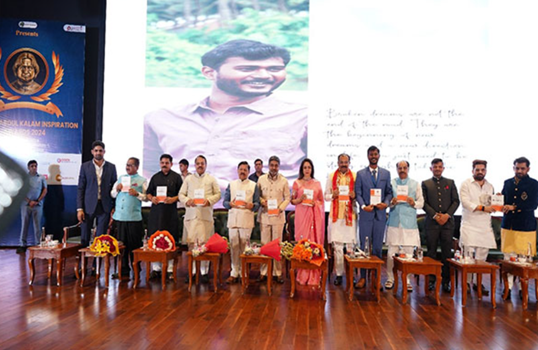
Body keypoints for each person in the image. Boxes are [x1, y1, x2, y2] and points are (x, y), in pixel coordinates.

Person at [143, 39, 307, 187]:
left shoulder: (302, 117)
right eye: (247, 68)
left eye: (274, 69)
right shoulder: (162, 118)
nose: (263, 75)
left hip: (270, 215)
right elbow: (148, 170)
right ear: (209, 72)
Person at [355, 146, 393, 289]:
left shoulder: (386, 173)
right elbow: (358, 193)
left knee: (377, 248)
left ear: (379, 155)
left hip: (380, 216)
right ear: (367, 156)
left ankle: (376, 278)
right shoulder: (360, 174)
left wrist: (386, 203)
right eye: (371, 154)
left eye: (376, 154)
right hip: (366, 214)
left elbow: (389, 192)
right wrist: (363, 205)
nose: (373, 156)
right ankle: (363, 277)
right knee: (364, 248)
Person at [179, 155, 221, 282]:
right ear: (195, 165)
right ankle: (191, 272)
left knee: (204, 245)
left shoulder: (211, 179)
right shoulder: (188, 179)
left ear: (206, 165)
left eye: (202, 163)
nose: (200, 165)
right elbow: (181, 194)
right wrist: (187, 201)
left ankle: (203, 272)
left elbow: (218, 194)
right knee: (192, 245)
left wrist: (209, 201)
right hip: (191, 216)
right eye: (198, 163)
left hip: (205, 217)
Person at [501, 157, 538, 299]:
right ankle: (508, 289)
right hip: (509, 226)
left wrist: (514, 207)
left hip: (525, 226)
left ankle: (524, 291)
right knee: (509, 259)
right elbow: (504, 200)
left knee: (524, 260)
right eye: (517, 168)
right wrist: (499, 201)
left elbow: (533, 204)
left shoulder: (534, 184)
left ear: (528, 169)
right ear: (513, 168)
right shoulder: (508, 183)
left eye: (522, 168)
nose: (519, 171)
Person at [422, 158, 460, 293]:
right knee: (431, 252)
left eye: (440, 166)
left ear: (443, 168)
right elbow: (424, 203)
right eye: (435, 167)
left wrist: (446, 215)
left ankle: (445, 281)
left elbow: (456, 201)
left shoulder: (450, 182)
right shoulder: (425, 183)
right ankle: (431, 280)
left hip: (447, 223)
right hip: (432, 223)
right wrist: (435, 215)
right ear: (431, 168)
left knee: (446, 253)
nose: (437, 169)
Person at [459, 159, 497, 296]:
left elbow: (491, 203)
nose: (480, 172)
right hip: (469, 224)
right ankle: (466, 283)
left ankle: (477, 281)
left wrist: (497, 201)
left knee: (482, 257)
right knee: (468, 257)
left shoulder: (490, 186)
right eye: (477, 170)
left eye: (482, 170)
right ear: (472, 171)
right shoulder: (466, 184)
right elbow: (466, 203)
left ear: (485, 171)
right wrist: (483, 208)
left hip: (484, 225)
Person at [385, 161, 424, 291]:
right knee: (391, 252)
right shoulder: (391, 183)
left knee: (408, 252)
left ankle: (407, 280)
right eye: (400, 168)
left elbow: (421, 203)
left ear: (408, 168)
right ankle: (390, 278)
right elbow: (386, 201)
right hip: (395, 220)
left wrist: (414, 203)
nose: (402, 170)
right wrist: (391, 202)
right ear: (396, 169)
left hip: (409, 222)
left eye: (404, 168)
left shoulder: (415, 184)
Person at [223, 161, 260, 284]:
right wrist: (230, 204)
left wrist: (252, 205)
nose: (242, 171)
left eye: (245, 170)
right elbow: (225, 203)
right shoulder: (231, 184)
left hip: (246, 219)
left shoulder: (253, 185)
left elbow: (257, 204)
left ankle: (244, 273)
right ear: (237, 171)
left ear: (249, 172)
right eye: (241, 169)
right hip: (233, 219)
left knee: (245, 247)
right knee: (234, 247)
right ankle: (234, 272)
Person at [146, 154, 182, 279]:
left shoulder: (176, 177)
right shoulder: (155, 177)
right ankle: (156, 269)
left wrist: (173, 199)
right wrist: (152, 198)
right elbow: (148, 193)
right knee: (155, 238)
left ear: (171, 164)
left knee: (170, 240)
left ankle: (170, 270)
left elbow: (182, 194)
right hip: (156, 213)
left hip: (170, 213)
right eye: (162, 162)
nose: (164, 165)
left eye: (167, 162)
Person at [110, 157, 147, 278]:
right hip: (120, 217)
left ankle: (136, 269)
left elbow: (147, 197)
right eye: (127, 165)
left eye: (130, 165)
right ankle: (123, 270)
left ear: (137, 167)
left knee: (134, 245)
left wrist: (137, 194)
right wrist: (117, 188)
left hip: (134, 218)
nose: (128, 167)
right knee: (121, 246)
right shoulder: (121, 178)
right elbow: (112, 194)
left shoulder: (142, 180)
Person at [77, 141, 117, 248]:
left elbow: (114, 188)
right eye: (96, 151)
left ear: (104, 152)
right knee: (85, 236)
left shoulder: (111, 167)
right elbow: (81, 188)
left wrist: (113, 206)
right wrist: (80, 208)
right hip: (87, 206)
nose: (98, 153)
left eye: (100, 150)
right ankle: (83, 263)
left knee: (101, 237)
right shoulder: (85, 167)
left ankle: (96, 263)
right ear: (92, 152)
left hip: (104, 206)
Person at [291, 158, 325, 285]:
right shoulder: (297, 183)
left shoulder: (317, 183)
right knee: (302, 242)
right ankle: (302, 274)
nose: (307, 170)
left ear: (312, 169)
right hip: (301, 216)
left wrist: (314, 203)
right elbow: (292, 200)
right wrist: (300, 199)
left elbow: (321, 201)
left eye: (309, 167)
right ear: (302, 169)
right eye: (305, 167)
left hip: (313, 217)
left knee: (313, 243)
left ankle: (314, 275)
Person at [325, 153, 357, 286]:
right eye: (341, 162)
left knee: (350, 247)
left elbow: (359, 195)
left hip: (350, 216)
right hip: (336, 216)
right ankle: (338, 274)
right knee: (337, 246)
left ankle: (351, 274)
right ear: (337, 163)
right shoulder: (331, 176)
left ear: (349, 163)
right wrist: (333, 194)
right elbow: (326, 196)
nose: (344, 164)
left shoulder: (355, 176)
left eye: (346, 162)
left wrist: (354, 195)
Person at [257, 155, 290, 283]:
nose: (274, 168)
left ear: (278, 167)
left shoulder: (284, 181)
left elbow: (287, 198)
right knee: (265, 245)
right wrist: (262, 201)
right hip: (264, 216)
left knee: (277, 246)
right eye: (272, 165)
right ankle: (264, 272)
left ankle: (277, 273)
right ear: (268, 166)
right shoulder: (261, 179)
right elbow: (257, 196)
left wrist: (280, 208)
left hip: (277, 217)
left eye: (276, 165)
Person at [16, 160, 47, 253]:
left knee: (38, 226)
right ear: (28, 168)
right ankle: (22, 245)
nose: (34, 168)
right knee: (24, 225)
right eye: (32, 166)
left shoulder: (41, 178)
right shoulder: (24, 177)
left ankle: (38, 244)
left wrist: (37, 201)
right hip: (26, 205)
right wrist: (29, 201)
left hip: (38, 205)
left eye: (35, 166)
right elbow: (20, 191)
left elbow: (45, 190)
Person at [179, 158, 191, 244]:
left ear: (186, 166)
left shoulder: (192, 177)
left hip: (190, 204)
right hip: (179, 203)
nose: (180, 167)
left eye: (181, 166)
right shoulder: (178, 177)